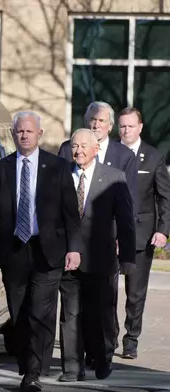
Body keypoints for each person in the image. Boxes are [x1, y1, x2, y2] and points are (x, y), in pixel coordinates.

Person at [0, 111, 81, 392]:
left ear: (39, 134)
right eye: (20, 131)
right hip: (14, 251)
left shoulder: (57, 168)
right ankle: (28, 364)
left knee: (40, 312)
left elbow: (71, 214)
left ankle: (32, 373)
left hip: (48, 252)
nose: (24, 136)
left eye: (29, 132)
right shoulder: (1, 169)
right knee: (19, 313)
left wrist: (75, 249)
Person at [54, 100, 138, 369]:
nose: (96, 124)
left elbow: (126, 210)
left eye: (101, 120)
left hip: (103, 251)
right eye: (92, 119)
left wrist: (126, 252)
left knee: (102, 307)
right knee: (71, 311)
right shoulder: (65, 159)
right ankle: (72, 364)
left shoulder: (120, 162)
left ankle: (102, 354)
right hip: (69, 253)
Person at [117, 107, 170, 359]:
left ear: (140, 127)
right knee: (104, 291)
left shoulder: (153, 157)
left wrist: (163, 230)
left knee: (135, 292)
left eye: (130, 126)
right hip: (108, 234)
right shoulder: (109, 153)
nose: (126, 130)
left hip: (141, 233)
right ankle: (107, 336)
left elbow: (164, 197)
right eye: (122, 126)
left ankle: (131, 339)